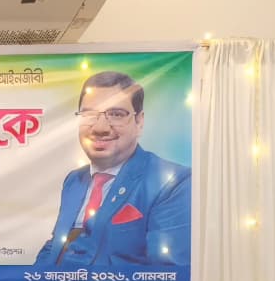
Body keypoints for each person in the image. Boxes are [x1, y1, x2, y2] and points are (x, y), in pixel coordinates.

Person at [34, 71, 191, 267]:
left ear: (139, 122)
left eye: (116, 114)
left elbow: (168, 275)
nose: (100, 127)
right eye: (89, 114)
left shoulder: (171, 183)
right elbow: (56, 247)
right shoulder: (74, 180)